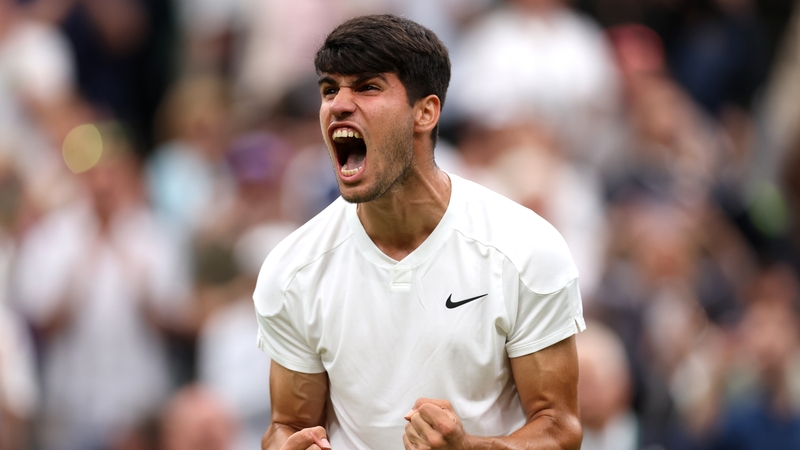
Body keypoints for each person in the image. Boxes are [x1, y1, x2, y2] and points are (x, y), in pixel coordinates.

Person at [253, 14, 585, 450]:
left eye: (367, 87)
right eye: (330, 89)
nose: (338, 104)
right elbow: (288, 425)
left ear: (425, 112)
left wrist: (468, 449)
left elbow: (560, 428)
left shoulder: (526, 249)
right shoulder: (292, 269)